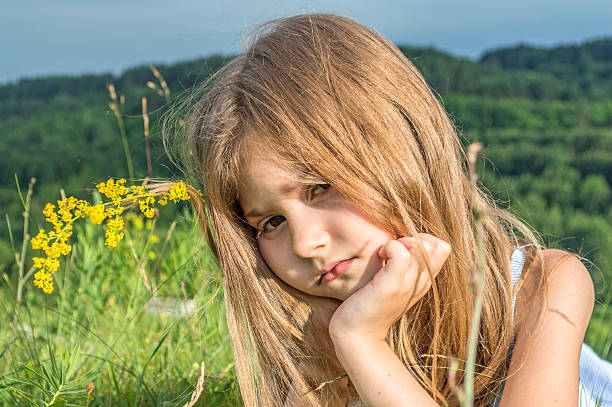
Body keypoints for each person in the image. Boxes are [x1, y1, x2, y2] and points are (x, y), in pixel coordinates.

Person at [174, 13, 611, 406]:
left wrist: (360, 340)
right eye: (272, 222)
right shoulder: (315, 338)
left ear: (395, 152)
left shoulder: (544, 287)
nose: (307, 244)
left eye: (320, 188)